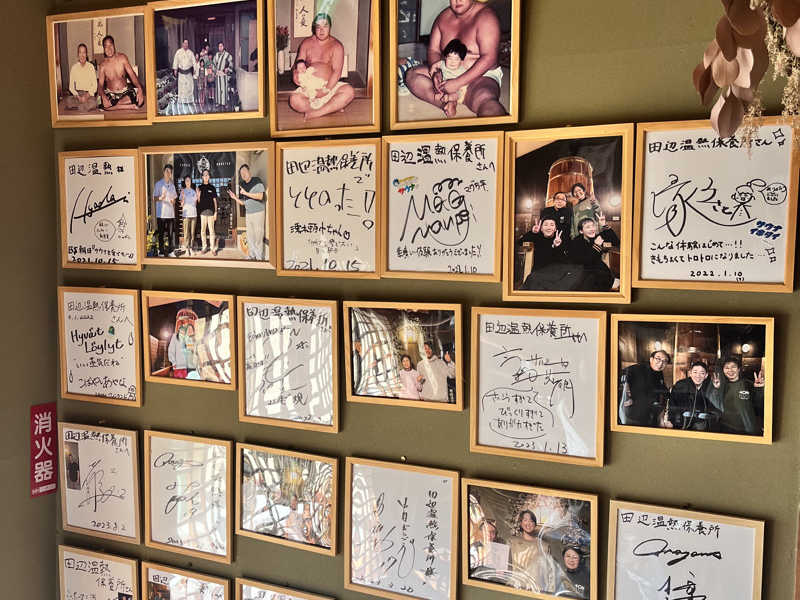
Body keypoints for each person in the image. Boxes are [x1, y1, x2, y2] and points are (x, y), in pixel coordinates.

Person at [404, 0, 506, 118]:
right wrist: (437, 72)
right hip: (448, 73)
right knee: (412, 75)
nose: (458, 0)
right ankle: (447, 103)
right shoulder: (443, 17)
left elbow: (489, 58)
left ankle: (463, 98)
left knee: (486, 98)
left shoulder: (486, 17)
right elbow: (434, 51)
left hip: (479, 77)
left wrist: (458, 83)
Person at [289, 13, 356, 120]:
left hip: (330, 87)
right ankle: (331, 108)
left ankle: (316, 113)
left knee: (349, 92)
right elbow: (297, 64)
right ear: (314, 28)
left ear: (330, 27)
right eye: (318, 27)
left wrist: (325, 90)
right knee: (294, 100)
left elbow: (337, 72)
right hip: (310, 88)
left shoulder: (337, 46)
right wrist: (296, 75)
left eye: (325, 26)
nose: (321, 30)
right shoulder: (306, 43)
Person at [709, 357, 764, 435]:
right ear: (723, 371)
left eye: (733, 367)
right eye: (727, 368)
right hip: (726, 427)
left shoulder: (747, 384)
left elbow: (759, 404)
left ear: (738, 369)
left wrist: (759, 389)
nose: (730, 370)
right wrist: (716, 389)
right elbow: (715, 405)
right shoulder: (722, 385)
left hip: (747, 428)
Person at [663, 361, 720, 431]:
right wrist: (670, 420)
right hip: (681, 423)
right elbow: (673, 404)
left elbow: (714, 406)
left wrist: (716, 389)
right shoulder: (681, 385)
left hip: (700, 424)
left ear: (706, 375)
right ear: (690, 373)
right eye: (695, 372)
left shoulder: (708, 386)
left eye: (702, 373)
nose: (698, 376)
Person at [509, 510, 557, 593]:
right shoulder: (512, 542)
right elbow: (506, 566)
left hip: (536, 589)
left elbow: (550, 572)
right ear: (521, 523)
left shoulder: (544, 545)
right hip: (515, 586)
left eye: (531, 521)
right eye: (525, 520)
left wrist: (549, 592)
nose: (528, 523)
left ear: (535, 524)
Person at [619, 350, 671, 426]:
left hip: (648, 413)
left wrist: (671, 394)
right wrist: (627, 396)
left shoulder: (659, 373)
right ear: (651, 359)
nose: (661, 363)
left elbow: (661, 388)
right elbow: (622, 376)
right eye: (658, 359)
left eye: (664, 361)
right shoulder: (638, 368)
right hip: (634, 414)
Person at [567, 215, 620, 291]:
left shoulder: (597, 236)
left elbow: (616, 242)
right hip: (584, 273)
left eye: (593, 226)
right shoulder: (576, 242)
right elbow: (586, 261)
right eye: (588, 227)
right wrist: (596, 246)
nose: (592, 229)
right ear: (581, 231)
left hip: (601, 272)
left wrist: (604, 225)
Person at [228, 164, 267, 260]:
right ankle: (251, 255)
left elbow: (260, 196)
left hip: (258, 212)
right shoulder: (243, 185)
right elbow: (243, 202)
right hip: (248, 213)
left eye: (245, 171)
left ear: (249, 171)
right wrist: (235, 198)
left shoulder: (256, 181)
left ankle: (259, 257)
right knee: (250, 236)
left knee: (258, 235)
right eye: (241, 173)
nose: (243, 174)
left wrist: (246, 193)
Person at [97, 35, 145, 111]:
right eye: (106, 46)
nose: (109, 49)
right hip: (111, 94)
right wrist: (103, 96)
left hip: (125, 92)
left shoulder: (122, 58)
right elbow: (100, 85)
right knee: (100, 101)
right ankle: (129, 106)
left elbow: (132, 75)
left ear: (114, 45)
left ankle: (115, 106)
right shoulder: (102, 65)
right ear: (104, 49)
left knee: (139, 98)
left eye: (110, 45)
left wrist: (139, 88)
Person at [435, 38, 469, 117]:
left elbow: (466, 81)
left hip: (457, 91)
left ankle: (451, 103)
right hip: (443, 88)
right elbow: (436, 65)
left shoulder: (462, 70)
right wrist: (433, 69)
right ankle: (449, 105)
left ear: (461, 61)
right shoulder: (443, 64)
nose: (452, 62)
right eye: (449, 58)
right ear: (445, 57)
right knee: (435, 89)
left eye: (456, 59)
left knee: (455, 96)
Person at [153, 164, 177, 257]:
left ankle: (171, 251)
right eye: (167, 171)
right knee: (161, 233)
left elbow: (174, 200)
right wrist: (160, 198)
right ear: (163, 172)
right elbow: (154, 198)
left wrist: (173, 201)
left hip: (170, 213)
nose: (168, 173)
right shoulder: (158, 184)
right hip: (161, 213)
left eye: (170, 172)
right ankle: (161, 251)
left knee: (170, 234)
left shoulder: (172, 186)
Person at [65, 43, 97, 111]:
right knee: (68, 101)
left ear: (86, 54)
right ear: (77, 55)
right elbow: (71, 87)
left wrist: (86, 96)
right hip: (78, 95)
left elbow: (94, 86)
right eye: (80, 52)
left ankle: (80, 106)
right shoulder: (74, 68)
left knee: (94, 102)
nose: (82, 55)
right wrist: (78, 97)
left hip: (88, 94)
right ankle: (83, 106)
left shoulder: (91, 67)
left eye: (84, 52)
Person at [167, 309, 197, 379]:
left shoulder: (193, 338)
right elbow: (171, 350)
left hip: (192, 366)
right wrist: (174, 362)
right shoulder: (175, 337)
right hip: (180, 366)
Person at [197, 169, 219, 255]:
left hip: (211, 213)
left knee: (212, 231)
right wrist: (198, 196)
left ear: (209, 177)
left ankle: (213, 248)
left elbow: (215, 201)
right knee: (203, 231)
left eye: (207, 175)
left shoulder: (212, 188)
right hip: (202, 213)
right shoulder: (199, 188)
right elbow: (198, 202)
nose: (206, 176)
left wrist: (215, 212)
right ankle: (204, 247)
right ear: (202, 177)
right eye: (204, 175)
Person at [172, 39, 197, 104]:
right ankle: (182, 101)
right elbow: (176, 61)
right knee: (182, 88)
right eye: (185, 43)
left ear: (188, 44)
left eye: (187, 43)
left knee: (189, 87)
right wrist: (175, 69)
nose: (186, 44)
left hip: (188, 73)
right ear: (182, 44)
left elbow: (194, 62)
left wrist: (195, 69)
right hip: (181, 73)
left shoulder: (190, 53)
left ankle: (189, 100)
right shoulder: (178, 52)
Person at [179, 175, 198, 256]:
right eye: (186, 180)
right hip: (186, 215)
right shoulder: (183, 191)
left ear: (191, 182)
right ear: (185, 182)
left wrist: (198, 195)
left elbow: (195, 203)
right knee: (186, 233)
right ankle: (187, 249)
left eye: (189, 180)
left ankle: (191, 248)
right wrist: (183, 197)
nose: (188, 182)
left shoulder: (193, 191)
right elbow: (181, 204)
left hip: (193, 214)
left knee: (192, 233)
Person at [212, 41, 233, 109]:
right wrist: (215, 71)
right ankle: (218, 102)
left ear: (223, 47)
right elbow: (213, 64)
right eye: (219, 46)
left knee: (224, 89)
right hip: (218, 74)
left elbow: (231, 63)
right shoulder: (216, 55)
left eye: (221, 46)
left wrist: (227, 69)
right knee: (218, 89)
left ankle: (225, 103)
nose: (220, 47)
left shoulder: (227, 55)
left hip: (224, 75)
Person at [197, 42, 213, 107]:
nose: (207, 48)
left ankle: (207, 99)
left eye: (208, 47)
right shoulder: (201, 57)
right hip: (202, 73)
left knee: (208, 87)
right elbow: (200, 64)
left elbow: (210, 64)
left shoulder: (208, 56)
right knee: (202, 88)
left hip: (208, 73)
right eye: (206, 47)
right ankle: (202, 101)